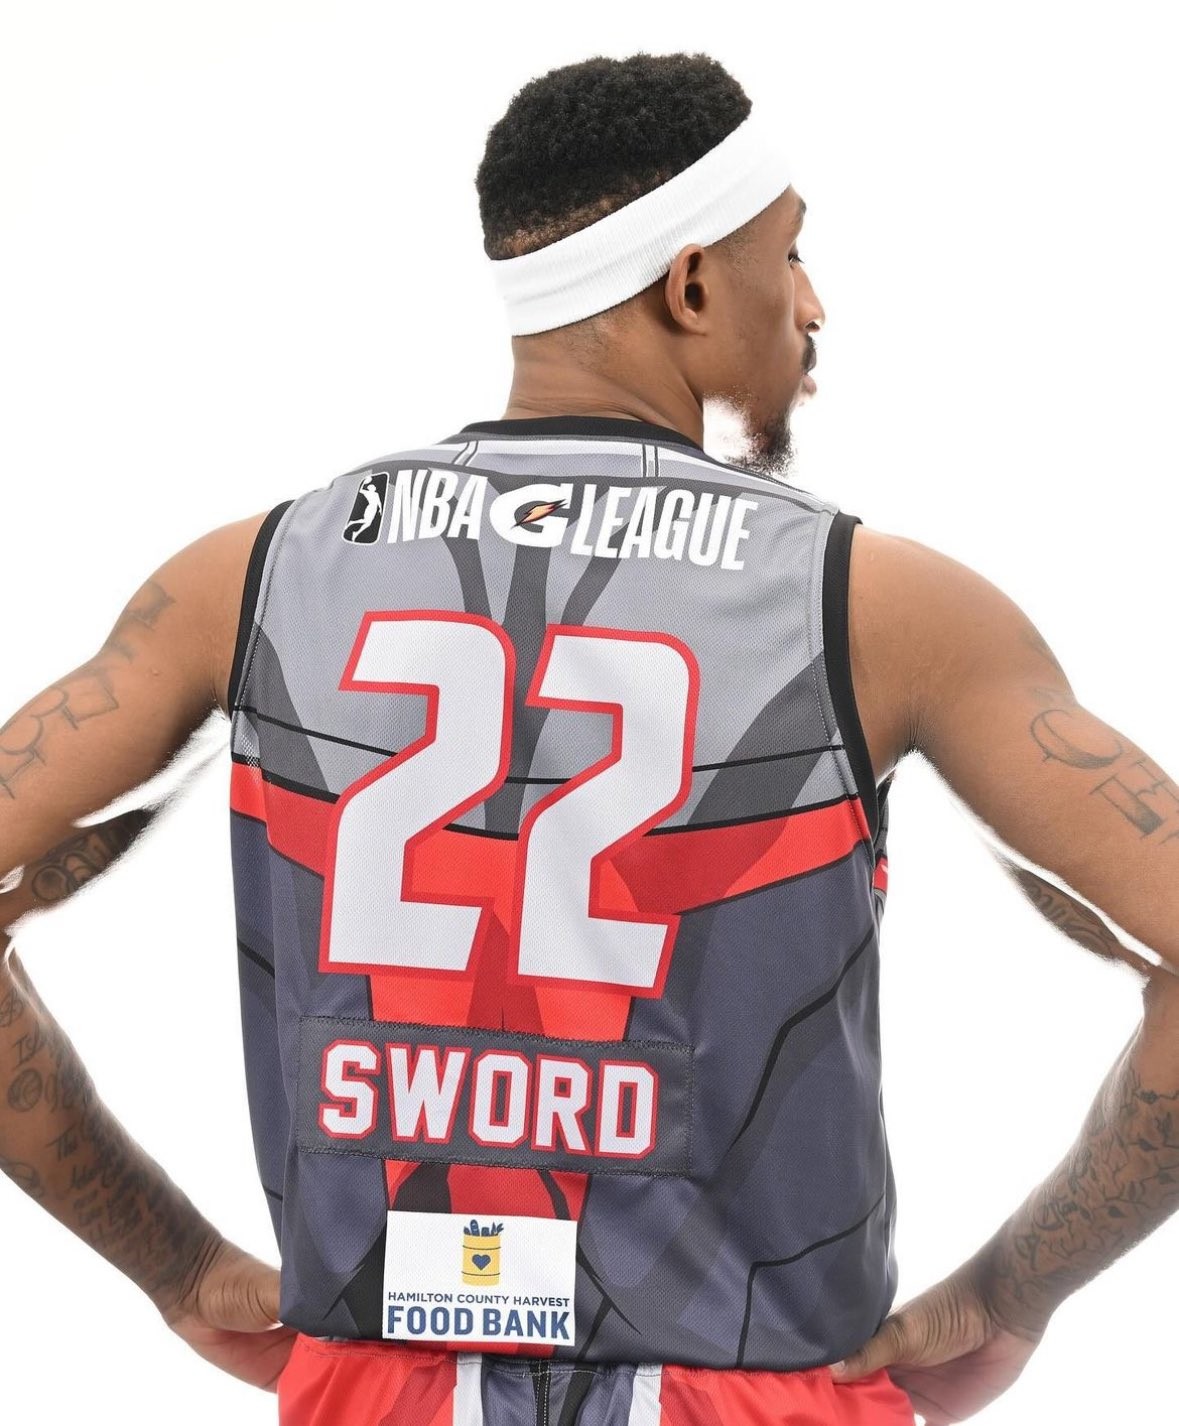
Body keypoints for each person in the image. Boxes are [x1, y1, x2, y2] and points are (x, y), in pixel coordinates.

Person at [2, 50, 1177, 1426]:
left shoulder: (247, 578)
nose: (813, 303)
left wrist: (171, 1260)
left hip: (383, 1385)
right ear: (692, 285)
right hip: (753, 1391)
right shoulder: (880, 605)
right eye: (792, 252)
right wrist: (1015, 1287)